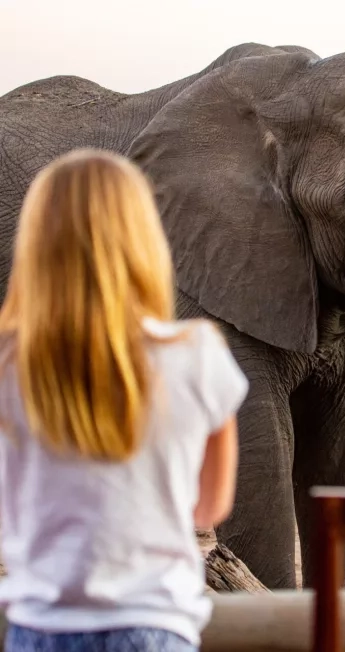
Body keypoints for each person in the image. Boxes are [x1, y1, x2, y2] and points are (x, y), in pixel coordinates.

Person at [0, 149, 248, 651]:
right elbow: (210, 506)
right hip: (155, 625)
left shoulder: (7, 361)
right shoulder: (198, 353)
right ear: (142, 241)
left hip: (42, 625)